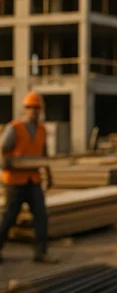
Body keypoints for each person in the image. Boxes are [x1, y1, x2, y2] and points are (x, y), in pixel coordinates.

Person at [0, 91, 58, 264]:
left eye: (36, 108)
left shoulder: (42, 130)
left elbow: (44, 155)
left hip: (33, 180)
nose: (33, 111)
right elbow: (2, 148)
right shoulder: (14, 128)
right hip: (14, 182)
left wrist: (49, 175)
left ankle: (41, 252)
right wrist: (5, 163)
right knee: (9, 217)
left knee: (41, 215)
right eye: (30, 108)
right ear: (25, 109)